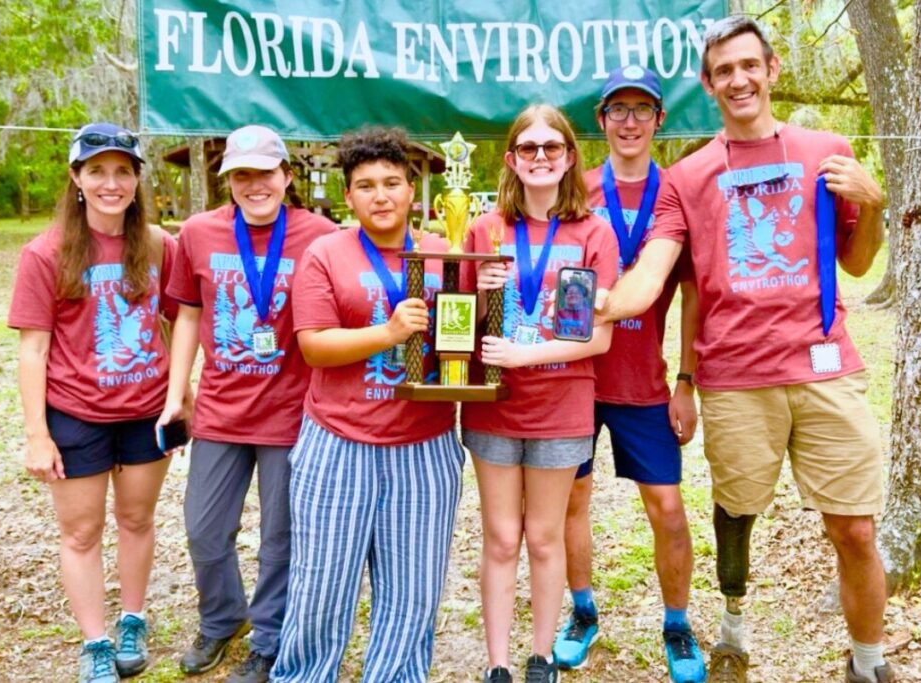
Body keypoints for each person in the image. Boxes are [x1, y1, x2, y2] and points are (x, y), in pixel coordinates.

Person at [598, 17, 890, 683]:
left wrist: (872, 203)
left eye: (747, 65)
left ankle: (869, 663)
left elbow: (859, 261)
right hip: (734, 377)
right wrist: (606, 302)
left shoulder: (826, 151)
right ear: (708, 84)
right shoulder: (689, 175)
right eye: (723, 71)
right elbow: (653, 269)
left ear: (772, 69)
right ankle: (733, 625)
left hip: (825, 366)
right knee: (738, 507)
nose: (738, 80)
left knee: (856, 530)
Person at [270, 127, 465, 682]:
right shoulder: (325, 253)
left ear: (412, 189)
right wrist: (388, 332)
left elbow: (464, 333)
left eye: (392, 182)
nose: (381, 196)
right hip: (338, 443)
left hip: (424, 446)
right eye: (365, 185)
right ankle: (305, 675)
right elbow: (313, 346)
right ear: (348, 195)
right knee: (321, 582)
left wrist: (490, 285)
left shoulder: (444, 249)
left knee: (413, 587)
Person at [157, 125, 336, 683]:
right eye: (241, 175)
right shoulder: (199, 232)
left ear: (287, 176)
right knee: (204, 530)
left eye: (264, 173)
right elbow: (186, 312)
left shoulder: (321, 236)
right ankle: (221, 620)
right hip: (220, 411)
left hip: (292, 412)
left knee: (280, 536)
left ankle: (270, 638)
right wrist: (174, 393)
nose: (254, 185)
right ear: (227, 180)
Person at [552, 66, 706, 683]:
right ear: (601, 121)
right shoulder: (576, 191)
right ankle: (583, 612)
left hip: (646, 383)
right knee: (573, 500)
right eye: (618, 110)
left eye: (643, 109)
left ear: (660, 120)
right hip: (576, 379)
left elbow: (693, 294)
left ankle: (676, 621)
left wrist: (687, 380)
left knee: (667, 508)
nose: (630, 121)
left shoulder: (678, 195)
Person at [9, 122, 178, 683]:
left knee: (136, 518)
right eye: (98, 171)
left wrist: (181, 390)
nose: (111, 183)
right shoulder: (46, 252)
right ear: (77, 178)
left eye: (123, 172)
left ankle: (133, 618)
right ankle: (95, 642)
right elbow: (33, 348)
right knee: (80, 532)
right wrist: (38, 432)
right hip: (76, 414)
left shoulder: (157, 245)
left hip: (146, 411)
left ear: (136, 181)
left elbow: (182, 321)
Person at [460, 104, 619, 683]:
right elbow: (461, 323)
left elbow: (599, 338)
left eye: (552, 147)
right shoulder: (485, 228)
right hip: (496, 405)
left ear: (570, 157)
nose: (541, 157)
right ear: (511, 159)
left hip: (562, 406)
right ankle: (499, 661)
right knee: (501, 537)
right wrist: (477, 292)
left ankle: (542, 655)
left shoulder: (593, 231)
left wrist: (529, 354)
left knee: (546, 536)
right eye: (528, 148)